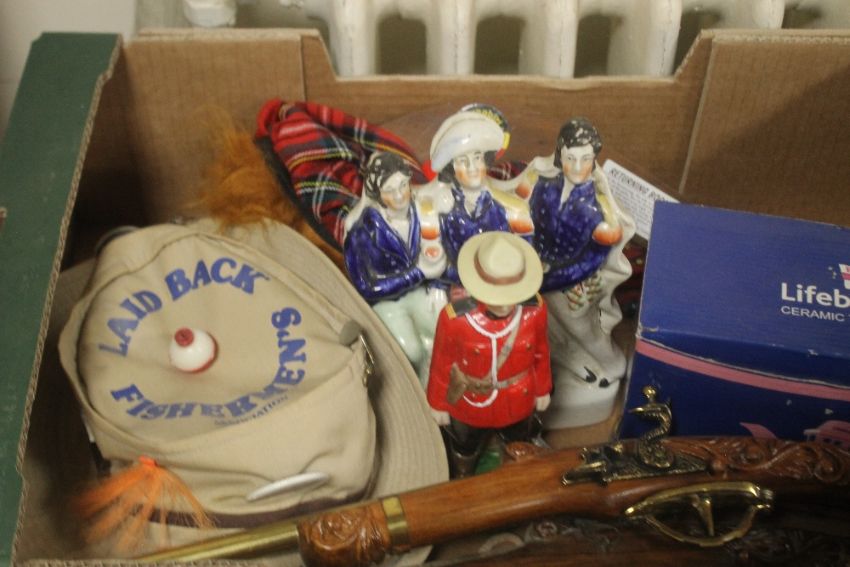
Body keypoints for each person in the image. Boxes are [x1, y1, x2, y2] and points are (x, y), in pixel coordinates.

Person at [523, 118, 636, 428]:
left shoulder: (595, 207)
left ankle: (613, 364)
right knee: (546, 325)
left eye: (585, 159)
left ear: (594, 160)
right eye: (570, 157)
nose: (577, 166)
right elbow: (532, 227)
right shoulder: (544, 188)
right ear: (559, 154)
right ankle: (573, 363)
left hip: (573, 281)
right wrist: (532, 259)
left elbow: (593, 257)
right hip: (539, 274)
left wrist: (552, 275)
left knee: (582, 328)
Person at [427, 232, 551, 477]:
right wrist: (438, 403)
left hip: (518, 399)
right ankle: (464, 480)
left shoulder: (535, 311)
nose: (504, 304)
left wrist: (543, 389)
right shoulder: (456, 319)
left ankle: (517, 478)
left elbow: (541, 353)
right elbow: (442, 363)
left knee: (519, 445)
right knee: (465, 447)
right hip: (470, 402)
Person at [343, 152, 447, 387]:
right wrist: (418, 274)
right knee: (410, 352)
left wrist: (438, 284)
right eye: (390, 190)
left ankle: (435, 390)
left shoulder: (424, 213)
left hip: (419, 291)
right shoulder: (362, 233)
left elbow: (442, 251)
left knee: (442, 333)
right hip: (386, 302)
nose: (399, 195)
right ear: (377, 194)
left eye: (403, 185)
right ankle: (413, 393)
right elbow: (367, 287)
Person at [415, 105, 532, 287]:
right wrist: (438, 286)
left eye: (477, 158)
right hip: (454, 288)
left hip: (501, 290)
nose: (472, 168)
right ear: (451, 168)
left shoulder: (513, 209)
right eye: (463, 161)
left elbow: (526, 258)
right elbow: (433, 258)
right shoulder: (435, 209)